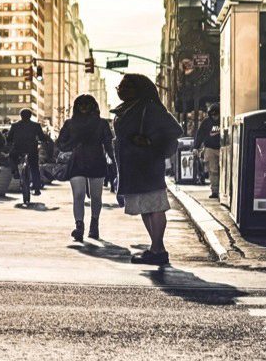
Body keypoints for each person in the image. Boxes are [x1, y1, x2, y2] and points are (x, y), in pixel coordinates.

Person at [113, 75, 183, 265]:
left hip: (148, 165)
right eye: (120, 86)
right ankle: (155, 248)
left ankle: (158, 250)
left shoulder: (149, 107)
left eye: (127, 86)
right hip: (132, 167)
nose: (121, 90)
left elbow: (175, 130)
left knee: (155, 206)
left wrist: (150, 141)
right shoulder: (127, 109)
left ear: (139, 89)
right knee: (145, 208)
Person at [58, 95, 113, 245]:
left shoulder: (102, 124)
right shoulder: (70, 123)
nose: (83, 107)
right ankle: (79, 226)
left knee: (96, 196)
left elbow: (109, 144)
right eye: (80, 104)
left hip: (96, 161)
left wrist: (114, 161)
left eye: (87, 104)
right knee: (78, 195)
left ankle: (94, 224)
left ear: (93, 106)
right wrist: (73, 141)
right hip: (77, 162)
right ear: (76, 106)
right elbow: (61, 144)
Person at [6, 110, 48, 204]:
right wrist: (44, 140)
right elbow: (42, 137)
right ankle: (37, 188)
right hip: (32, 149)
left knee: (12, 157)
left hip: (18, 149)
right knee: (34, 167)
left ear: (21, 116)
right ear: (30, 116)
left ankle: (15, 171)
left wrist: (10, 142)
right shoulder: (36, 125)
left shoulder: (15, 126)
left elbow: (9, 138)